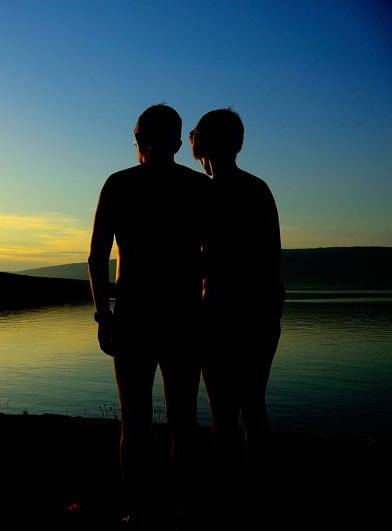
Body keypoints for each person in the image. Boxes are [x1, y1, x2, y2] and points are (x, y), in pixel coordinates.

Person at [88, 104, 210, 524]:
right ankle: (184, 509)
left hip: (134, 315)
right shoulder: (198, 187)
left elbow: (96, 256)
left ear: (139, 140)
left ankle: (137, 512)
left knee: (134, 422)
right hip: (184, 315)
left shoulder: (119, 184)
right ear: (178, 142)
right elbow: (215, 257)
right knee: (183, 422)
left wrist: (103, 314)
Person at [189, 108, 284, 472]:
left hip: (218, 311)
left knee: (222, 414)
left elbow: (200, 259)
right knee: (254, 406)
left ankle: (225, 495)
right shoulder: (258, 188)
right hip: (262, 311)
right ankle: (257, 494)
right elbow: (270, 256)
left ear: (200, 145)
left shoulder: (204, 195)